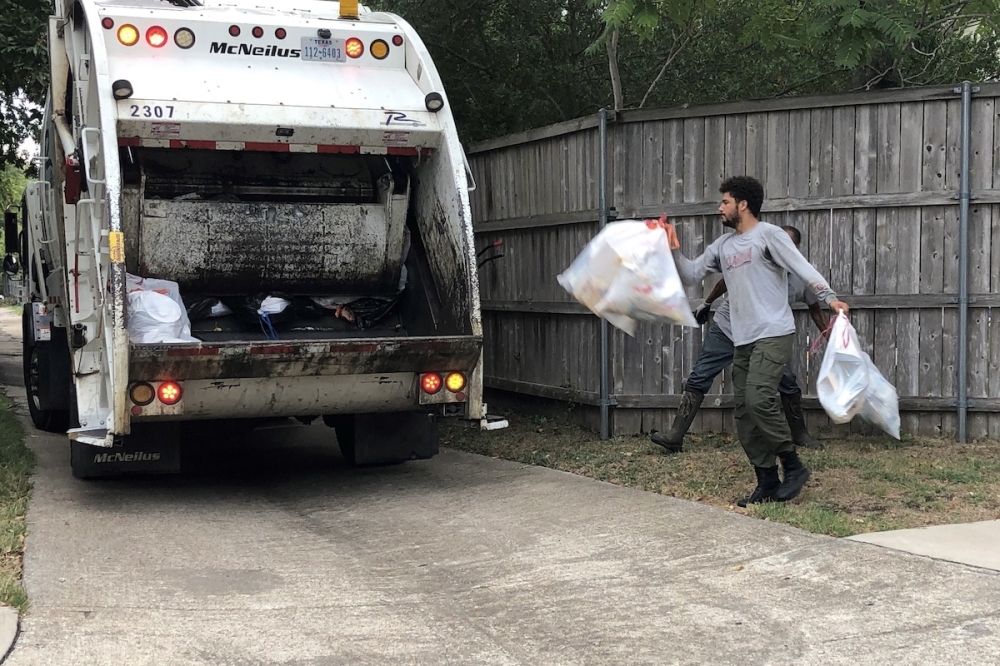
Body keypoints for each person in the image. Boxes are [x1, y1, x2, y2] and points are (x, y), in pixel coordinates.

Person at [667, 176, 849, 506]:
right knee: (744, 413)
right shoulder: (723, 246)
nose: (719, 207)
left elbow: (802, 267)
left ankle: (792, 466)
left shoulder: (769, 237)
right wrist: (673, 247)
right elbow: (692, 274)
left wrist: (830, 297)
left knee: (759, 398)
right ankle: (766, 481)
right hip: (742, 339)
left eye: (724, 201)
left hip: (774, 332)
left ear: (743, 204)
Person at [649, 225, 830, 454]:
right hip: (728, 327)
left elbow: (815, 309)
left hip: (766, 335)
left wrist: (829, 334)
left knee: (788, 381)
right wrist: (707, 303)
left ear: (795, 249)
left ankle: (800, 434)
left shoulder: (802, 276)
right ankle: (675, 435)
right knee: (700, 375)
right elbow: (725, 281)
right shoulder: (756, 261)